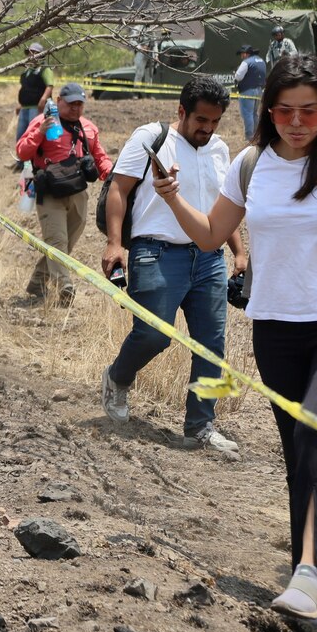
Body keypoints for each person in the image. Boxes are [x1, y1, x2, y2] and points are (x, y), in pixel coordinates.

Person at [152, 55, 317, 631]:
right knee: (306, 454)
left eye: (310, 112)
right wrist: (172, 199)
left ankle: (312, 575)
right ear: (269, 110)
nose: (297, 122)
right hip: (276, 329)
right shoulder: (250, 165)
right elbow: (213, 236)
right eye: (285, 110)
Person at [100, 76, 245, 451]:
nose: (208, 129)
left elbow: (222, 208)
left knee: (211, 345)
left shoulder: (220, 150)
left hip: (209, 259)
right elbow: (119, 189)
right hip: (156, 253)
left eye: (215, 122)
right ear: (182, 111)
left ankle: (200, 426)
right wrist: (116, 243)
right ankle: (117, 378)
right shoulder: (152, 137)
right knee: (153, 335)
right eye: (201, 120)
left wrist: (239, 252)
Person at [16, 81, 112, 305]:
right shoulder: (42, 122)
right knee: (57, 240)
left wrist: (112, 176)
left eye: (80, 104)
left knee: (66, 243)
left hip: (78, 190)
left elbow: (100, 157)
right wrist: (39, 133)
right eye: (70, 104)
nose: (75, 108)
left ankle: (37, 281)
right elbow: (22, 151)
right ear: (58, 102)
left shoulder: (88, 128)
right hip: (49, 192)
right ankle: (65, 286)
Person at [14, 42, 54, 169]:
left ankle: (31, 164)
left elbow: (50, 86)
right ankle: (20, 162)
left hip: (36, 108)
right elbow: (25, 88)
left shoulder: (45, 69)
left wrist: (43, 99)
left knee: (33, 135)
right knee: (21, 135)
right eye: (30, 53)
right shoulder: (27, 71)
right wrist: (20, 104)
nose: (32, 55)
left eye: (35, 53)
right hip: (25, 108)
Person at [234, 44, 267, 139]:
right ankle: (256, 135)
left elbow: (238, 76)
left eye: (242, 53)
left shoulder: (246, 62)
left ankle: (249, 137)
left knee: (247, 114)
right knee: (254, 113)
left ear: (246, 54)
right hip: (259, 90)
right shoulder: (261, 60)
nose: (241, 56)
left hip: (247, 90)